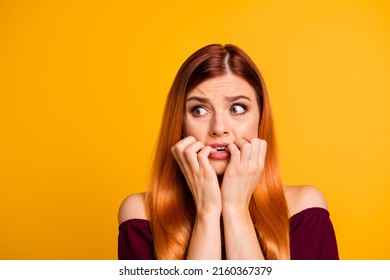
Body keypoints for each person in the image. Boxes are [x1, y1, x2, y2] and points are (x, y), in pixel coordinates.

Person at [117, 44, 339, 260]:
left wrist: (235, 209)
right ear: (180, 125)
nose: (218, 128)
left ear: (261, 119)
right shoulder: (141, 214)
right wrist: (207, 211)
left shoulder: (304, 210)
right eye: (199, 110)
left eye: (237, 108)